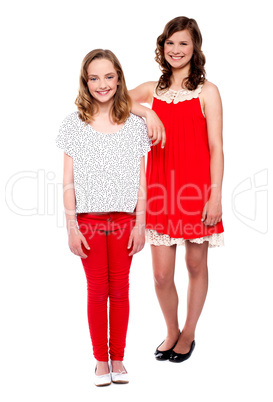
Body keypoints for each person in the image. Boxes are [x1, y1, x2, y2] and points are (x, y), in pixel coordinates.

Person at [129, 16, 224, 363]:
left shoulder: (208, 91)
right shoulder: (150, 88)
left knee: (196, 265)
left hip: (197, 190)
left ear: (194, 47)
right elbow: (107, 100)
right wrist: (146, 112)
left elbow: (216, 147)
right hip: (160, 189)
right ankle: (171, 329)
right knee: (160, 274)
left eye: (183, 43)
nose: (176, 50)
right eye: (170, 43)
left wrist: (215, 195)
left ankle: (189, 332)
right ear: (162, 46)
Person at [56, 49, 151, 386]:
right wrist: (71, 228)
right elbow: (67, 181)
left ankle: (119, 358)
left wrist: (141, 224)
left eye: (109, 77)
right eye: (94, 78)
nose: (102, 84)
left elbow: (142, 181)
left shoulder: (134, 124)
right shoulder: (74, 123)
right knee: (97, 290)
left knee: (120, 290)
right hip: (89, 221)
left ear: (119, 78)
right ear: (86, 81)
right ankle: (100, 360)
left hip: (126, 220)